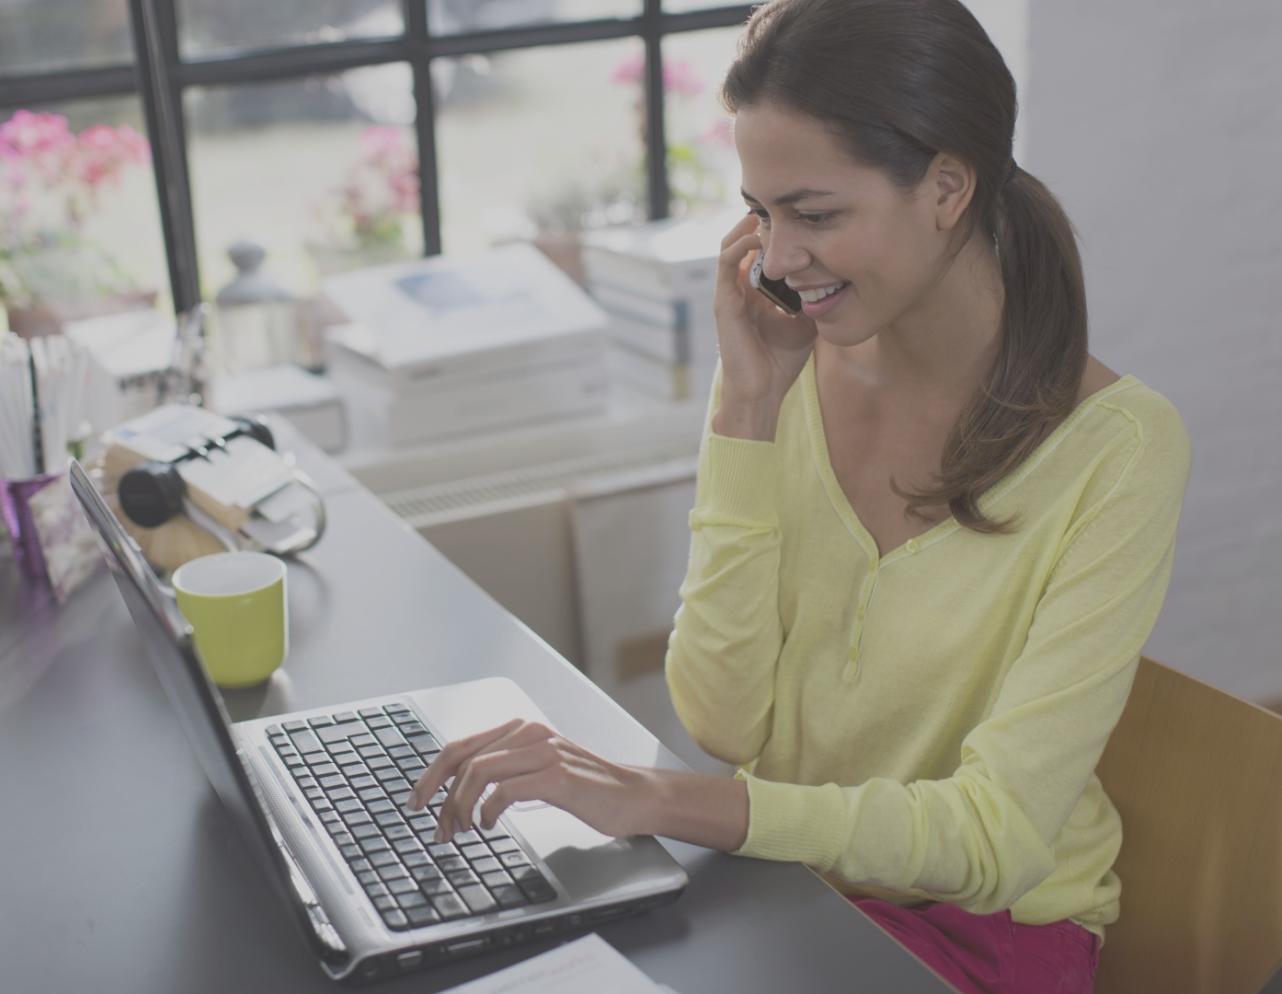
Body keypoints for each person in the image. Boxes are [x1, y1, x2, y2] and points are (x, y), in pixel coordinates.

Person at [407, 1, 1191, 991]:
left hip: (976, 936)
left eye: (814, 214)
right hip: (784, 886)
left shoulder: (1117, 450)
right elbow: (725, 722)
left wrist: (660, 799)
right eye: (761, 211)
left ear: (946, 185)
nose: (775, 260)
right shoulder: (787, 371)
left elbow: (992, 836)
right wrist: (745, 401)